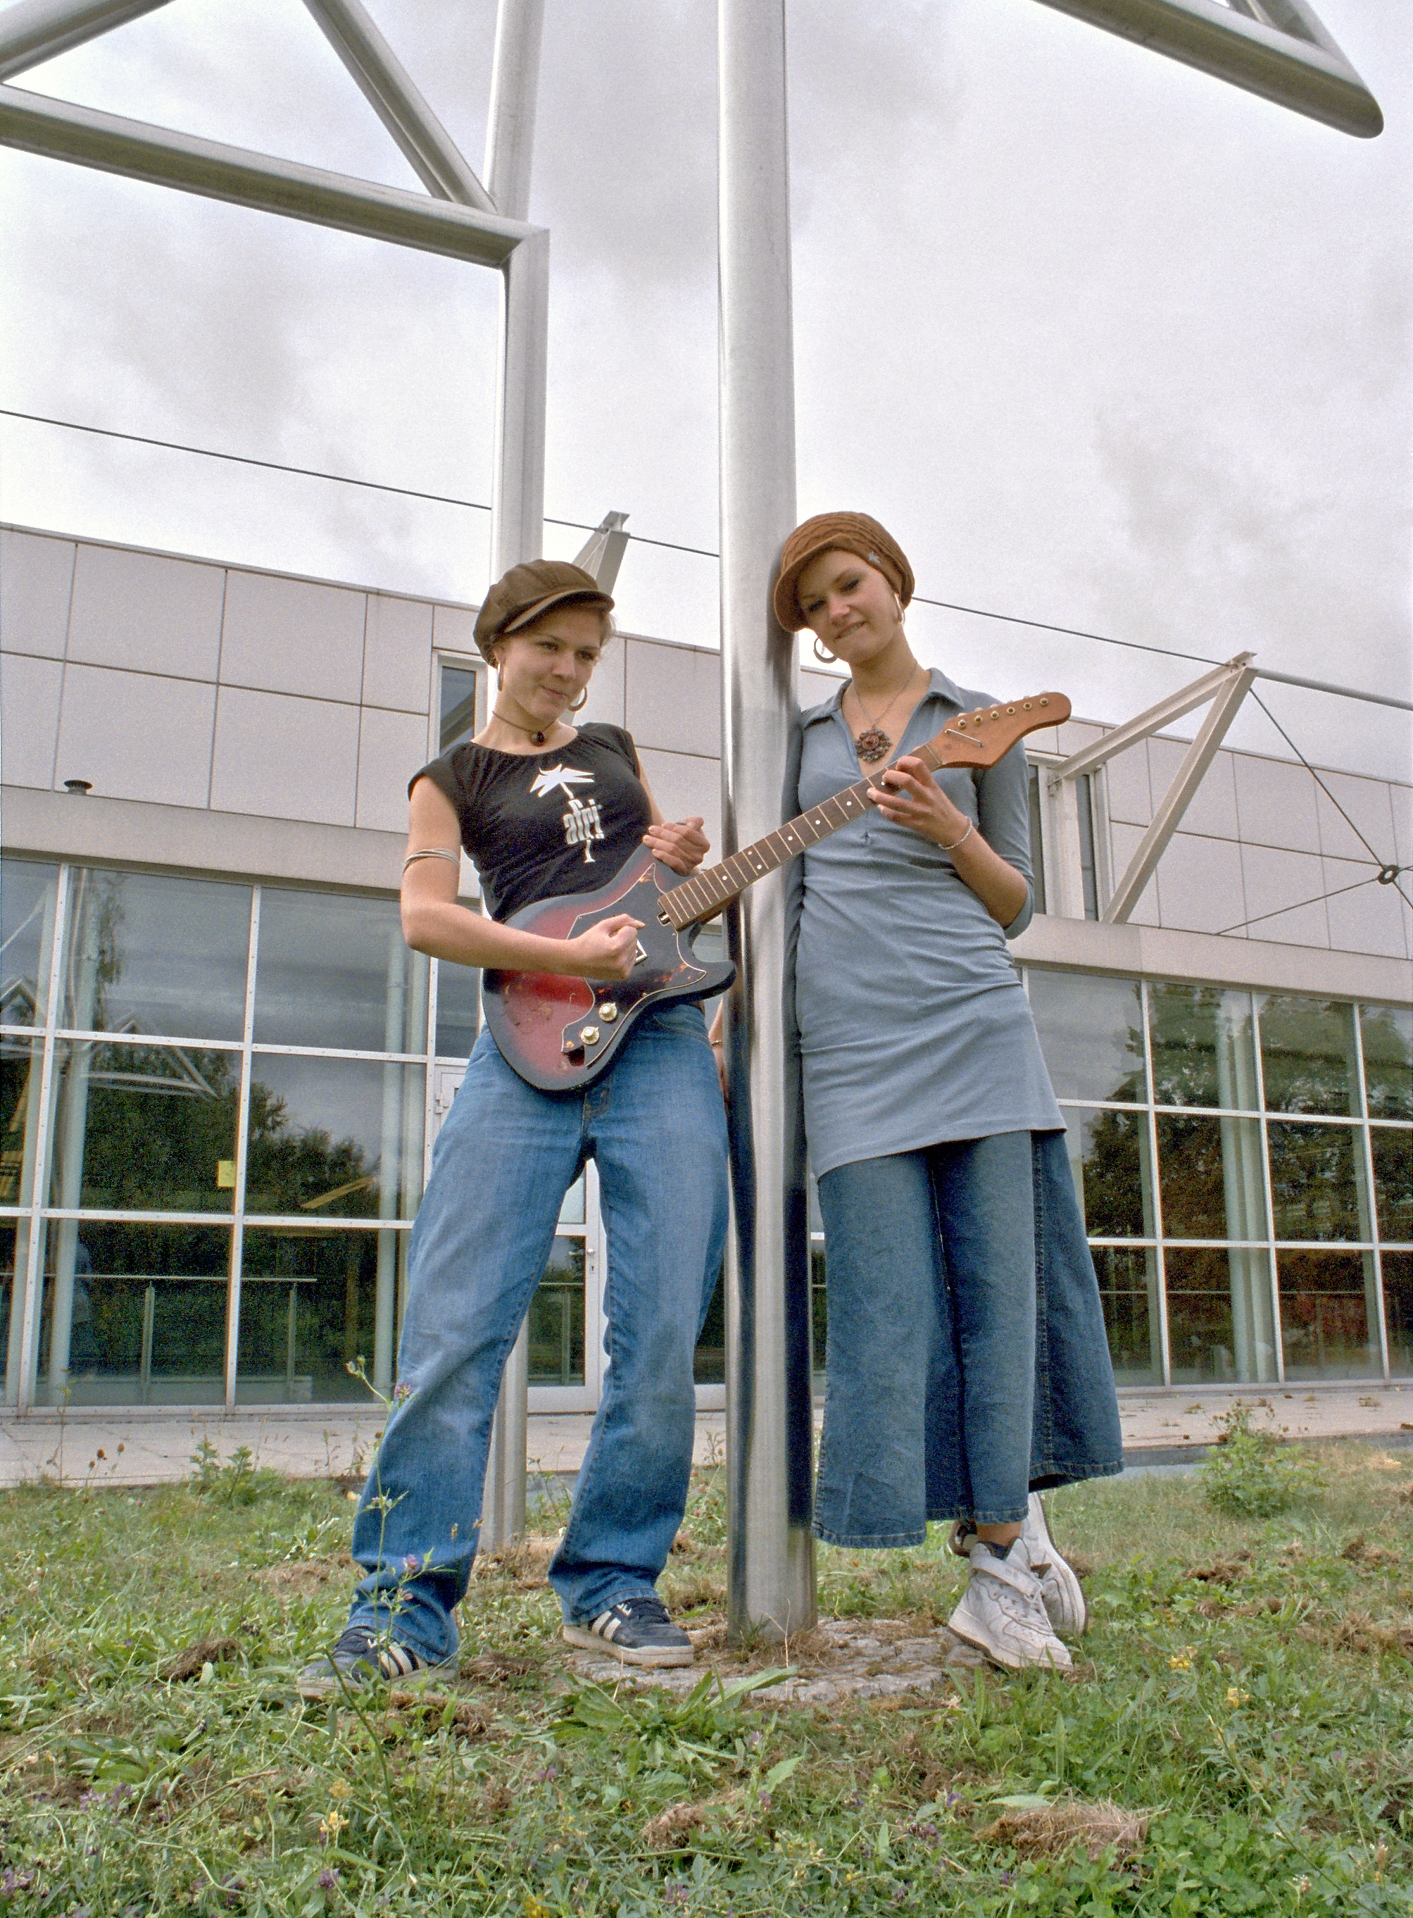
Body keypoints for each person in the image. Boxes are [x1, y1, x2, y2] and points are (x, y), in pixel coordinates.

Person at [300, 561, 728, 1694]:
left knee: (662, 1329)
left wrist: (669, 867)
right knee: (453, 1332)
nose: (573, 672)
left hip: (664, 1047)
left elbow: (642, 897)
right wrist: (564, 957)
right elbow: (426, 918)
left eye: (590, 654)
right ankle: (399, 1603)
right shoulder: (450, 778)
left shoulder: (615, 749)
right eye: (554, 649)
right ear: (502, 645)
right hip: (522, 1053)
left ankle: (614, 1582)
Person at [773, 512, 1122, 1671]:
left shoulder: (976, 726)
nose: (838, 609)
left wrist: (943, 826)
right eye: (816, 602)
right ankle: (1006, 1537)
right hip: (852, 1046)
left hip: (971, 1025)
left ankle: (998, 1557)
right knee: (887, 1303)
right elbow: (777, 893)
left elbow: (1016, 904)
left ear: (895, 582)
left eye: (851, 583)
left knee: (998, 1293)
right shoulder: (797, 739)